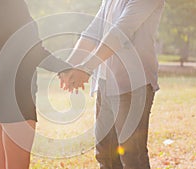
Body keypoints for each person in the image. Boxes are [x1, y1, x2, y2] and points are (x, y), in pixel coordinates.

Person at [60, 0, 165, 168]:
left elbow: (120, 33)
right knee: (105, 154)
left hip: (133, 86)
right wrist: (67, 66)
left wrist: (86, 68)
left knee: (132, 156)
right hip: (105, 83)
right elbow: (92, 32)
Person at [0, 0, 71, 168]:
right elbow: (34, 51)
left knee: (0, 165)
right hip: (14, 90)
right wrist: (64, 67)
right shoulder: (14, 4)